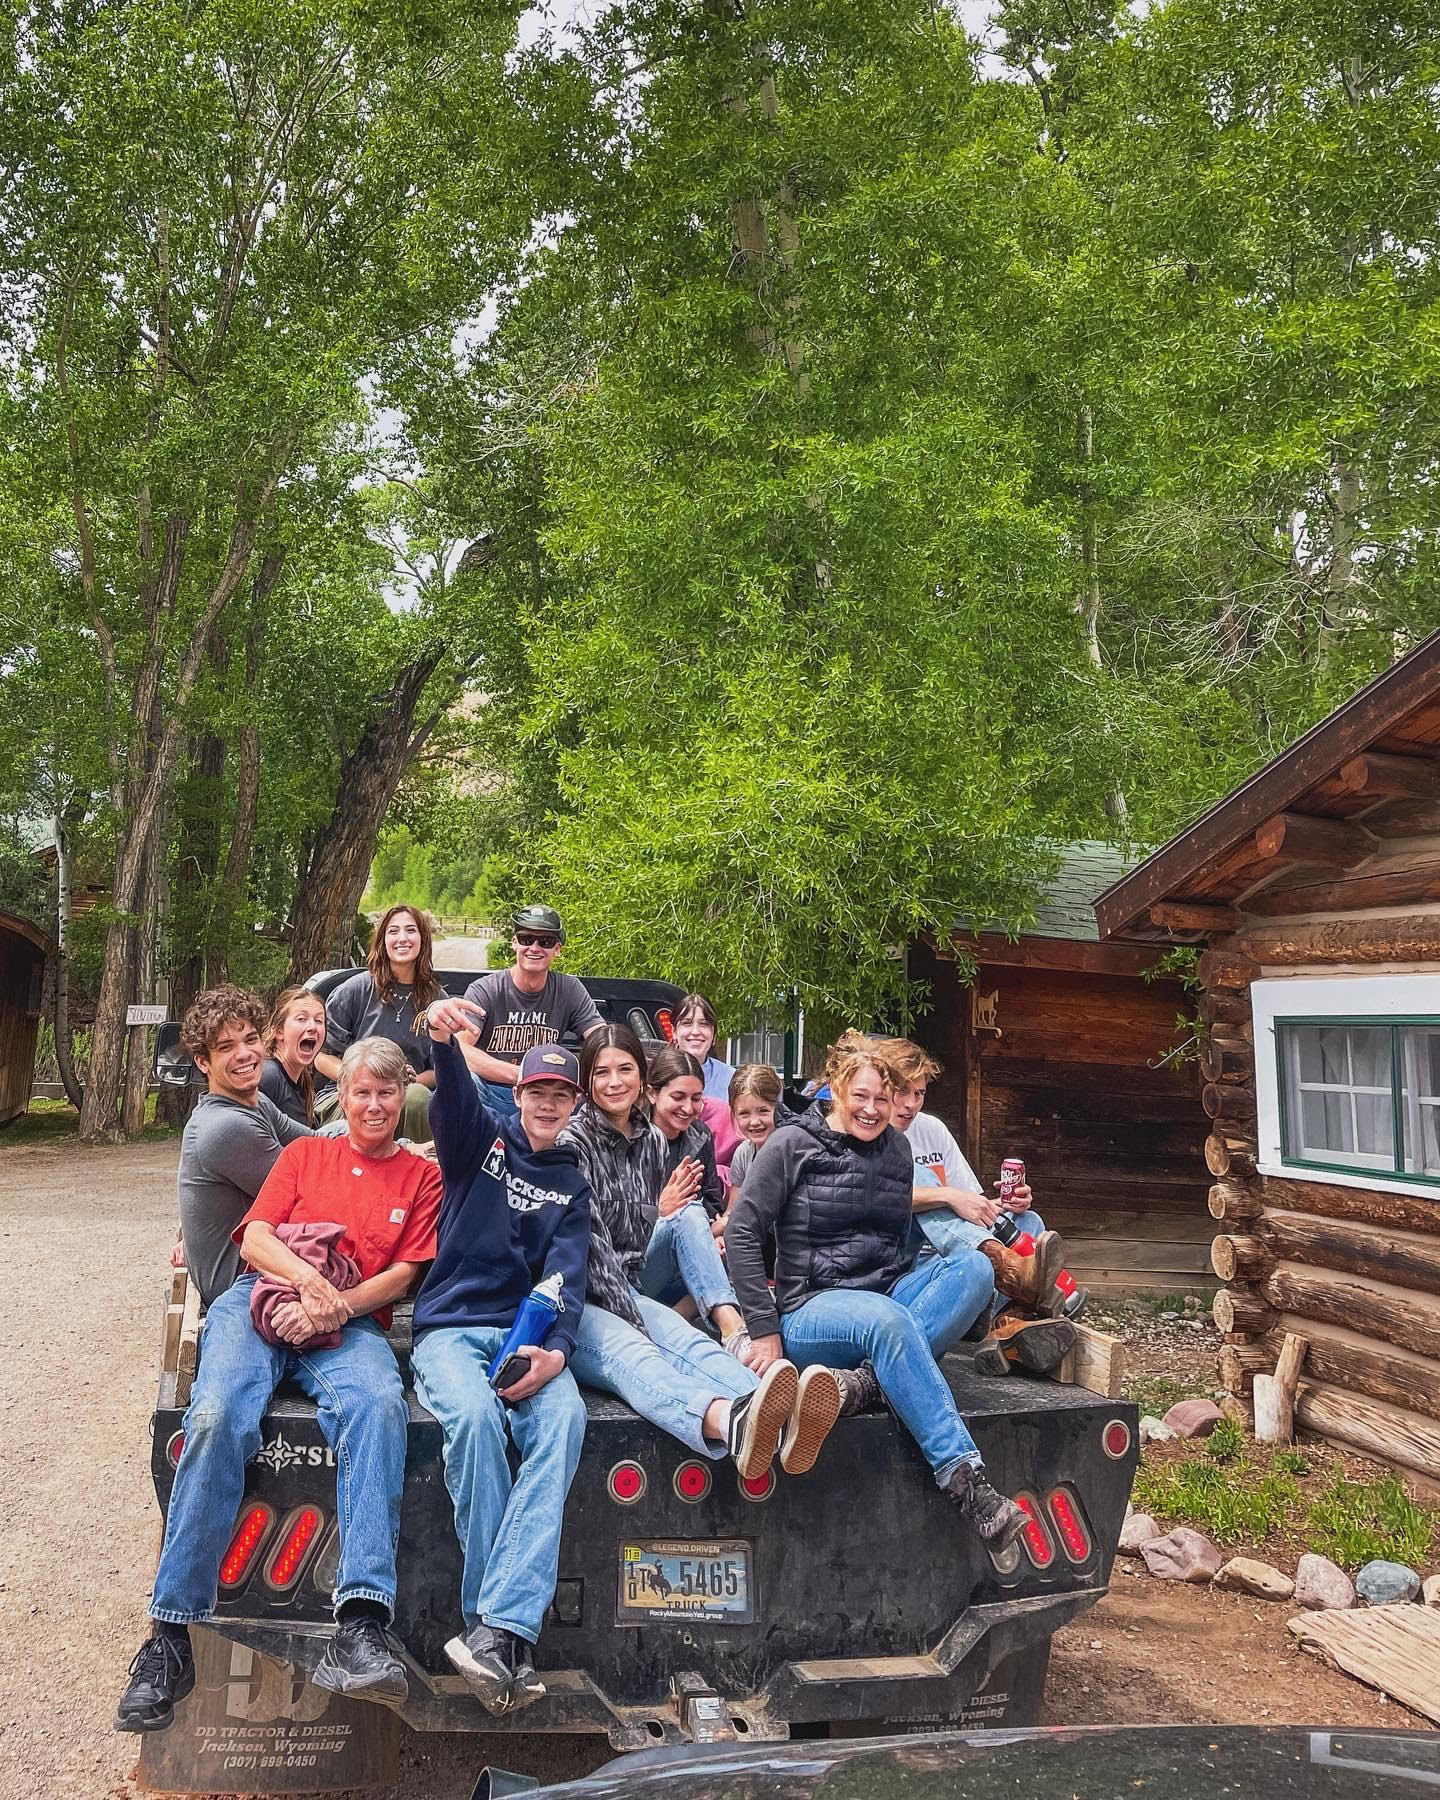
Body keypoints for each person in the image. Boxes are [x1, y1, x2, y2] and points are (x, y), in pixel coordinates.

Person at [116, 1038, 443, 1734]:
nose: (376, 1105)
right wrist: (310, 1283)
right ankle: (170, 1639)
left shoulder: (420, 1178)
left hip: (350, 1322)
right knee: (216, 1416)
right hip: (261, 1300)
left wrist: (335, 1306)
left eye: (389, 1093)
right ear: (343, 1099)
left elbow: (405, 1277)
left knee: (379, 1406)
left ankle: (360, 1624)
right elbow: (258, 1237)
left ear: (401, 1100)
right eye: (362, 1092)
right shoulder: (304, 1155)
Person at [724, 1032, 1028, 1549]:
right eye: (860, 1097)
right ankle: (967, 1483)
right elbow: (741, 1232)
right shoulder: (792, 1144)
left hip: (882, 1299)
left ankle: (861, 1385)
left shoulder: (896, 1150)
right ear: (838, 1090)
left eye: (882, 1100)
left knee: (976, 1269)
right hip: (809, 1309)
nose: (871, 1109)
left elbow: (902, 1240)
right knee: (887, 1323)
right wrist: (764, 1330)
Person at [413, 998, 593, 1715]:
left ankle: (495, 1634)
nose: (548, 1103)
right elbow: (450, 1090)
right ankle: (496, 1632)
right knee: (478, 1427)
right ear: (516, 1095)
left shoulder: (573, 1185)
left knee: (565, 1421)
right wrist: (440, 1036)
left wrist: (555, 1355)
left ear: (572, 1105)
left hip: (521, 1338)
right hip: (452, 1329)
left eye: (560, 1094)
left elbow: (567, 1281)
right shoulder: (478, 1143)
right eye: (537, 1091)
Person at [560, 1025, 842, 1480]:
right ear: (588, 1082)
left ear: (641, 1080)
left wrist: (657, 1314)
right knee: (647, 1354)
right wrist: (645, 1322)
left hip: (630, 1284)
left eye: (625, 1069)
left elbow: (641, 1235)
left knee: (689, 1339)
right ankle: (733, 1421)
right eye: (602, 1072)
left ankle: (778, 1407)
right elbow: (590, 1253)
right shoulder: (572, 1145)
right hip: (581, 1299)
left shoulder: (650, 1141)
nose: (615, 1082)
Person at [888, 1039, 1079, 1376]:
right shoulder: (873, 1135)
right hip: (920, 1266)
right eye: (903, 1091)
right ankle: (1023, 1307)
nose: (911, 1104)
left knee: (1026, 1219)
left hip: (968, 1248)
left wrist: (1005, 1204)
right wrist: (946, 1195)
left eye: (919, 1093)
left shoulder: (932, 1130)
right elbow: (883, 1199)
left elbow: (971, 1207)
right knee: (921, 1178)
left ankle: (1005, 1324)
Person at [175, 985, 313, 1306]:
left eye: (250, 1040)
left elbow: (312, 1142)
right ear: (203, 1062)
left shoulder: (255, 1102)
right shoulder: (225, 1127)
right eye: (226, 1047)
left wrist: (388, 1143)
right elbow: (305, 1191)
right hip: (243, 1286)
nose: (244, 1054)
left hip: (266, 1263)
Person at [459, 905, 603, 1118]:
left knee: (593, 1093)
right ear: (514, 943)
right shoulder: (486, 989)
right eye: (526, 939)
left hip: (546, 1099)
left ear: (557, 949)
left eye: (545, 941)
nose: (534, 947)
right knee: (467, 1082)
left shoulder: (569, 989)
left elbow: (603, 1040)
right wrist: (524, 1074)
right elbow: (460, 1049)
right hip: (491, 1094)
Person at [316, 904, 442, 1142]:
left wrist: (409, 1080)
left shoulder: (436, 1000)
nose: (402, 938)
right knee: (360, 1099)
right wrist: (363, 1078)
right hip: (347, 1090)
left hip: (406, 1093)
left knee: (416, 1098)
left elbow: (440, 1068)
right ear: (382, 940)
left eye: (410, 930)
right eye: (393, 931)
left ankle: (417, 1172)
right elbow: (320, 1056)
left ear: (423, 939)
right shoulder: (354, 990)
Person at [260, 986, 335, 1126]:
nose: (313, 1027)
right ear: (278, 1031)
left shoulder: (302, 1080)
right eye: (301, 1019)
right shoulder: (268, 1076)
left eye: (319, 1021)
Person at [726, 1063, 784, 1194]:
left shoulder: (791, 1154)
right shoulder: (743, 1153)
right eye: (744, 1114)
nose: (755, 1122)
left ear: (780, 1108)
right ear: (734, 1114)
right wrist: (727, 1215)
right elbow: (734, 1207)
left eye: (763, 1111)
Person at [672, 993, 735, 1101]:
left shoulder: (731, 1079)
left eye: (704, 1024)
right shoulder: (656, 1075)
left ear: (714, 1035)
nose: (695, 1032)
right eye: (687, 1023)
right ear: (674, 1032)